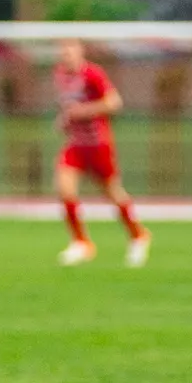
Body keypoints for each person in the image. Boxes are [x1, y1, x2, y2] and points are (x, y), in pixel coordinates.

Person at [52, 39, 150, 267]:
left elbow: (114, 103)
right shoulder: (60, 75)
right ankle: (81, 242)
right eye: (63, 51)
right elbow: (69, 107)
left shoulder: (92, 74)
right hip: (76, 144)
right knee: (64, 189)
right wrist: (65, 119)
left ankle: (138, 235)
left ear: (80, 52)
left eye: (70, 50)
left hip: (98, 144)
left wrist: (83, 112)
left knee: (112, 193)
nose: (66, 55)